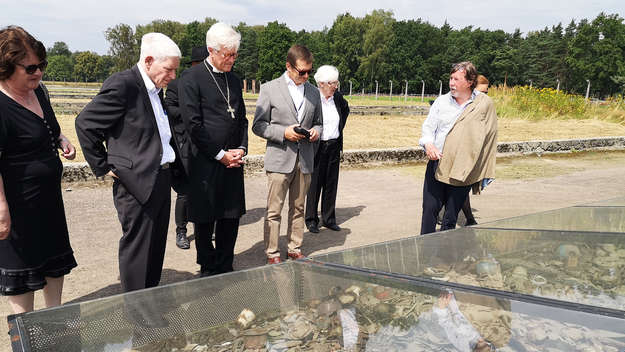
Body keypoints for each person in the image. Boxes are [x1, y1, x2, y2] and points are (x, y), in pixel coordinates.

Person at [75, 33, 181, 292]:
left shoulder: (156, 89)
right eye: (169, 69)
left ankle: (150, 302)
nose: (173, 76)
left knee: (155, 246)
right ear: (148, 61)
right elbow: (86, 124)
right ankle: (138, 315)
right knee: (138, 249)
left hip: (160, 177)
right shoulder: (124, 85)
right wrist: (105, 167)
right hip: (135, 182)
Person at [0, 26, 77, 313]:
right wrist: (1, 207)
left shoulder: (38, 91)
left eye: (42, 65)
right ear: (7, 66)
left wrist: (62, 140)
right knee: (22, 276)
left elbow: (49, 130)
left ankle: (54, 324)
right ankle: (26, 334)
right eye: (31, 67)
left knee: (53, 267)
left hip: (48, 201)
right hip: (17, 206)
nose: (39, 73)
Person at [179, 23, 247, 277]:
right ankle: (207, 265)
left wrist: (241, 147)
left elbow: (240, 118)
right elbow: (193, 125)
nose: (232, 59)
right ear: (211, 50)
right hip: (205, 162)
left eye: (235, 54)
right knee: (205, 217)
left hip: (233, 160)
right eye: (227, 54)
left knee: (230, 215)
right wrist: (220, 154)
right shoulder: (191, 79)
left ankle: (226, 263)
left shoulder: (234, 79)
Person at [252, 45, 322, 264]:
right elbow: (258, 126)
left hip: (305, 159)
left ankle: (295, 247)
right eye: (302, 72)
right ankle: (272, 252)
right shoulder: (269, 89)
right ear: (288, 66)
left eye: (309, 71)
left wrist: (315, 132)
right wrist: (284, 132)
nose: (306, 76)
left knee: (299, 208)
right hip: (280, 159)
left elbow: (319, 123)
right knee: (274, 210)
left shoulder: (313, 91)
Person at [419, 62, 497, 235]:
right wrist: (428, 144)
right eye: (451, 78)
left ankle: (446, 258)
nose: (451, 83)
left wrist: (483, 169)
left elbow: (490, 136)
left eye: (456, 79)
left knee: (450, 217)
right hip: (437, 163)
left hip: (465, 167)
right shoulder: (441, 102)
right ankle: (426, 254)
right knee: (430, 211)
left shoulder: (484, 104)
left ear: (469, 82)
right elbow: (428, 128)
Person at [164, 46, 209, 250]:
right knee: (184, 192)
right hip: (183, 143)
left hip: (204, 143)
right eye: (200, 64)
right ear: (193, 65)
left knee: (207, 188)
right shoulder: (176, 85)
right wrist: (191, 114)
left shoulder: (211, 85)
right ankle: (181, 230)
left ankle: (206, 225)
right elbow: (169, 109)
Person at [305, 65, 349, 233]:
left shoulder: (337, 98)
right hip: (317, 147)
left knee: (331, 184)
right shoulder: (312, 98)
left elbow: (345, 110)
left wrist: (338, 130)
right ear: (321, 83)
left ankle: (329, 218)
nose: (335, 86)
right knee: (314, 184)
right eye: (332, 83)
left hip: (334, 145)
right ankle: (311, 220)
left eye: (336, 82)